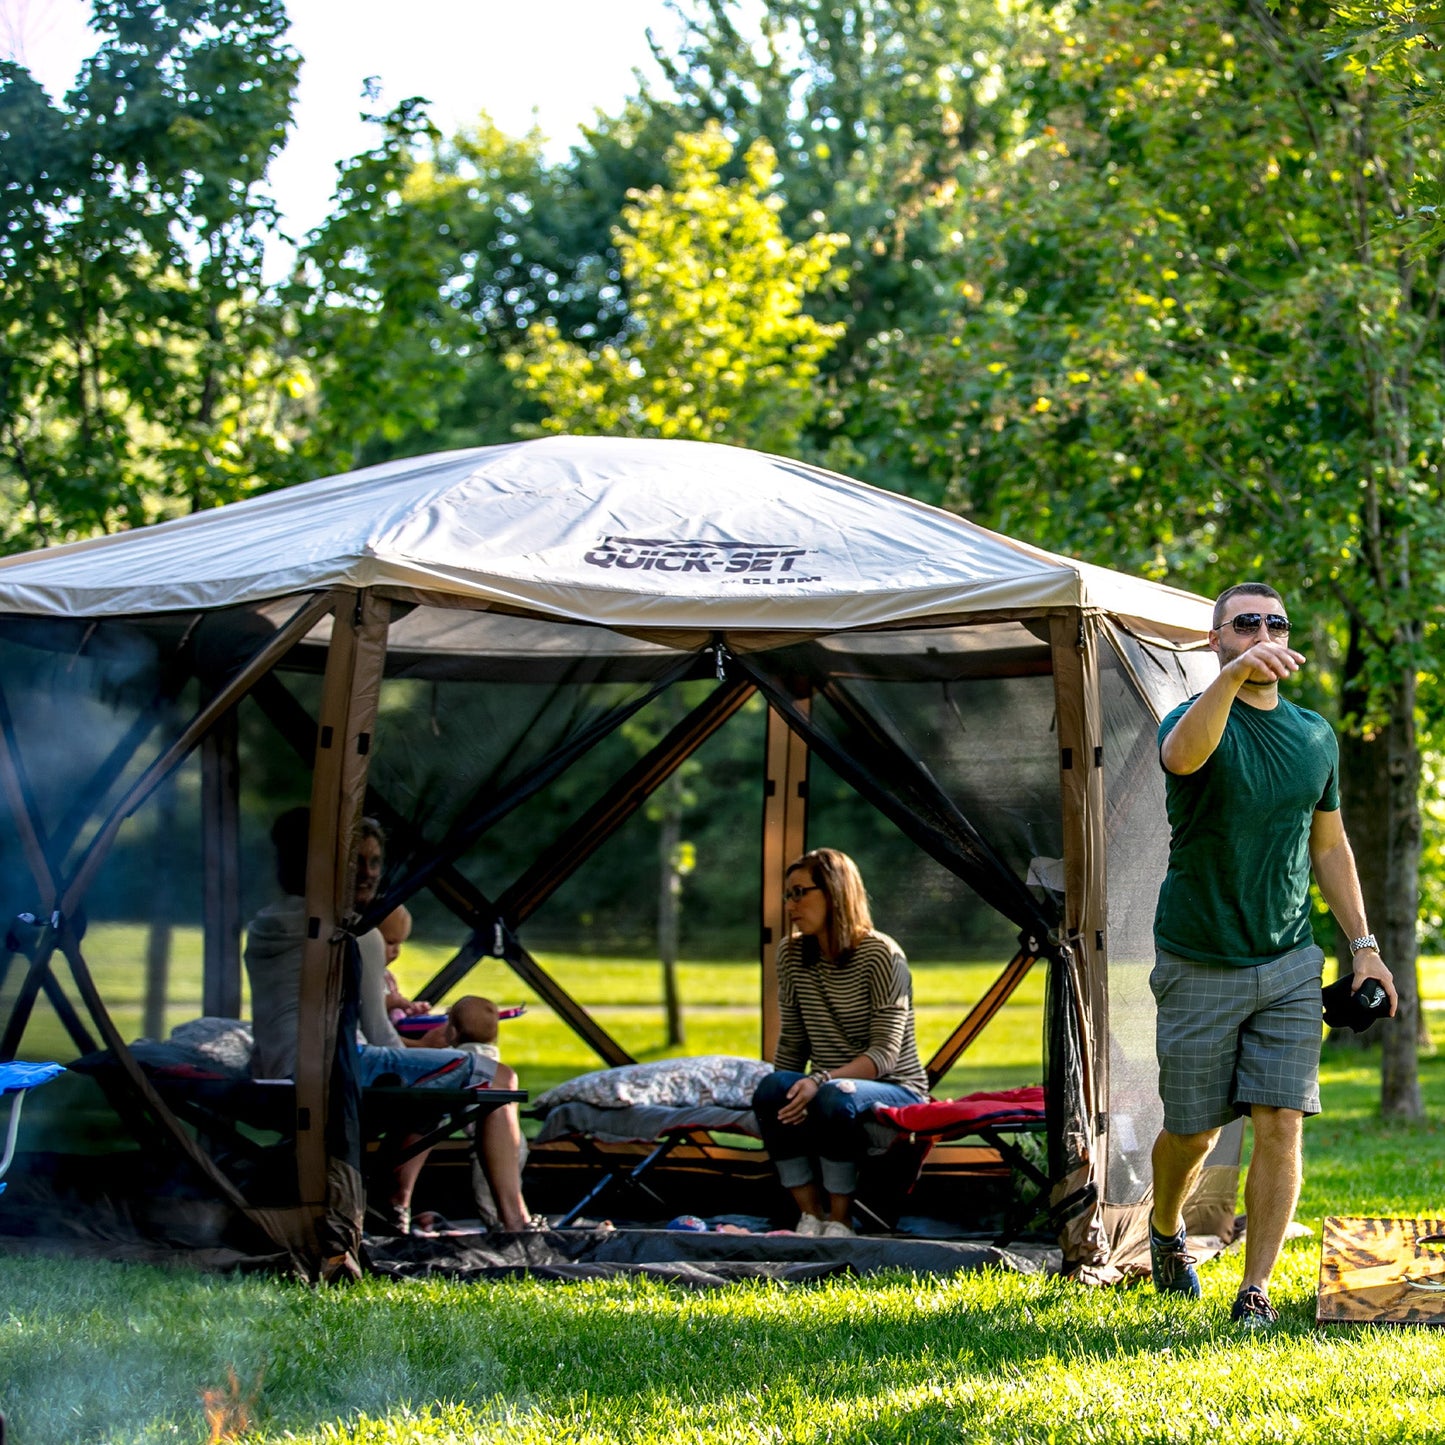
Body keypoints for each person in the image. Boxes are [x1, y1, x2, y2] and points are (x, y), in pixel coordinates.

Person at [1148, 582, 1397, 1327]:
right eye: (1245, 622)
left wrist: (1364, 948)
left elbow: (1328, 843)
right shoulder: (1192, 720)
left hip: (1289, 958)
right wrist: (1229, 677)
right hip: (1197, 955)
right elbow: (1180, 756)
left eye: (1275, 622)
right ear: (1215, 639)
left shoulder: (1314, 735)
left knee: (1280, 1119)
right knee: (1191, 1128)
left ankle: (1253, 1287)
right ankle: (1165, 1230)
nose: (1263, 631)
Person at [244, 809, 535, 1234]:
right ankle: (515, 1223)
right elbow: (380, 1035)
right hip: (337, 1078)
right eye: (355, 861)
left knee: (431, 1078)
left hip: (273, 1078)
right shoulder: (356, 933)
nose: (368, 873)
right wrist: (438, 1051)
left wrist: (428, 1058)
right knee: (495, 1076)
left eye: (374, 861)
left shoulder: (266, 924)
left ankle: (395, 1207)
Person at [750, 848, 929, 1238]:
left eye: (800, 893)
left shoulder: (882, 954)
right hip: (831, 1086)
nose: (791, 905)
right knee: (771, 1090)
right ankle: (809, 1215)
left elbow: (884, 1055)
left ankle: (841, 1218)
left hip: (896, 1088)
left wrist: (819, 1080)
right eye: (788, 895)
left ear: (834, 892)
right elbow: (793, 1043)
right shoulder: (791, 953)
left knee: (834, 1094)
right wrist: (787, 1092)